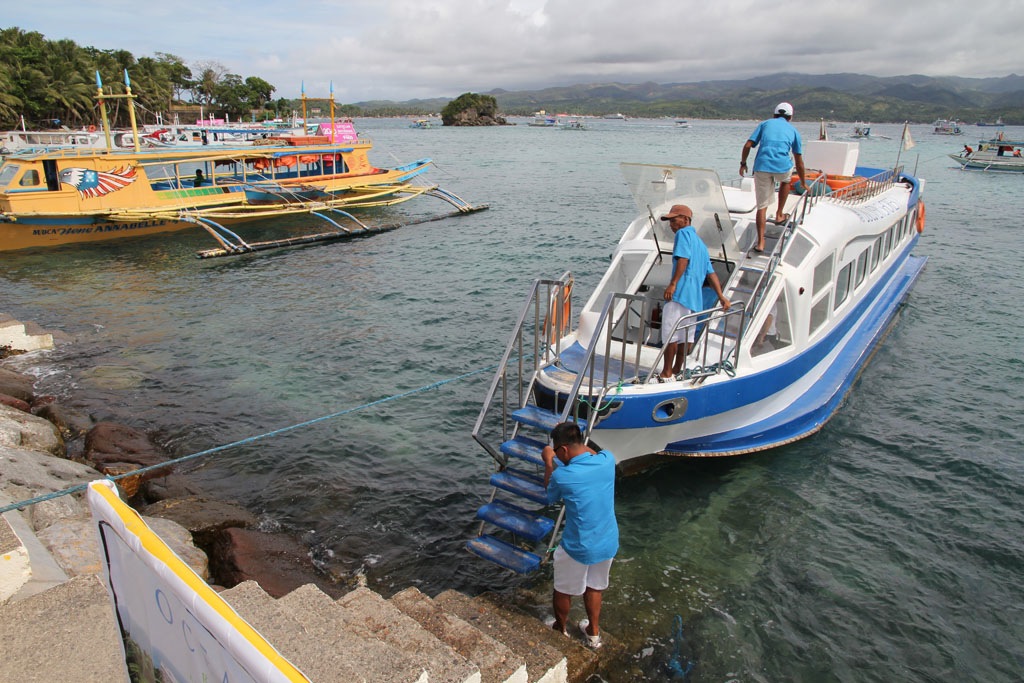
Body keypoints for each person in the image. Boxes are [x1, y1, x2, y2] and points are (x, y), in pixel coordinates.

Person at [541, 422, 618, 649]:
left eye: (556, 450)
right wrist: (575, 449)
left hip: (578, 546)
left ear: (563, 451)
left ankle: (560, 629)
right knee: (595, 586)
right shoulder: (608, 460)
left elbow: (549, 494)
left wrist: (548, 461)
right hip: (607, 540)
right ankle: (593, 633)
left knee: (563, 589)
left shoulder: (563, 475)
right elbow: (593, 452)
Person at [658, 204, 731, 381]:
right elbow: (711, 273)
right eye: (670, 221)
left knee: (670, 333)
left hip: (681, 293)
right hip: (694, 298)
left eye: (674, 220)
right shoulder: (701, 244)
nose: (671, 225)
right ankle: (676, 370)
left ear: (686, 220)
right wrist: (721, 296)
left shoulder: (683, 234)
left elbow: (683, 259)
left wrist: (673, 284)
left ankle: (666, 373)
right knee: (686, 335)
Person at [740, 102, 808, 252]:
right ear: (790, 117)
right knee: (786, 180)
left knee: (762, 207)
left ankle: (761, 243)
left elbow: (747, 145)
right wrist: (803, 182)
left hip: (762, 166)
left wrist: (743, 163)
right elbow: (799, 160)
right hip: (782, 166)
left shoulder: (764, 124)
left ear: (774, 115)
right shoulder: (794, 130)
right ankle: (779, 214)